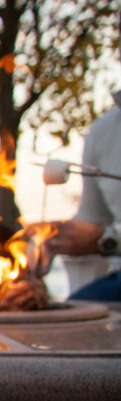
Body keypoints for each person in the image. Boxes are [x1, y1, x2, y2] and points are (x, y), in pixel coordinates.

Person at [40, 21, 121, 301]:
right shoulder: (104, 131)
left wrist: (108, 240)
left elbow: (102, 235)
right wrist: (57, 238)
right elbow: (93, 221)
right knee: (68, 317)